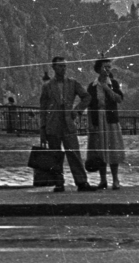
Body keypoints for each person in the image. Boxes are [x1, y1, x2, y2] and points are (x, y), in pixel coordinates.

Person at [39, 56, 94, 193]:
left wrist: (77, 111)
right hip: (53, 124)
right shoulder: (47, 87)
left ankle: (81, 182)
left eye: (64, 66)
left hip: (68, 123)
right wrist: (43, 129)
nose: (62, 69)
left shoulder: (72, 83)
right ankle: (59, 183)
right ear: (53, 67)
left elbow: (87, 97)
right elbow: (43, 109)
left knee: (74, 153)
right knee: (55, 154)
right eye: (59, 66)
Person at [84, 58, 126, 190]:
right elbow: (90, 106)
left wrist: (108, 89)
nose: (107, 70)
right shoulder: (92, 86)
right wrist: (91, 123)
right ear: (98, 69)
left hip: (110, 119)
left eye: (109, 67)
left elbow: (119, 99)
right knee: (100, 150)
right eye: (105, 67)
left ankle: (115, 179)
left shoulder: (113, 83)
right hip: (98, 120)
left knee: (112, 148)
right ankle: (103, 180)